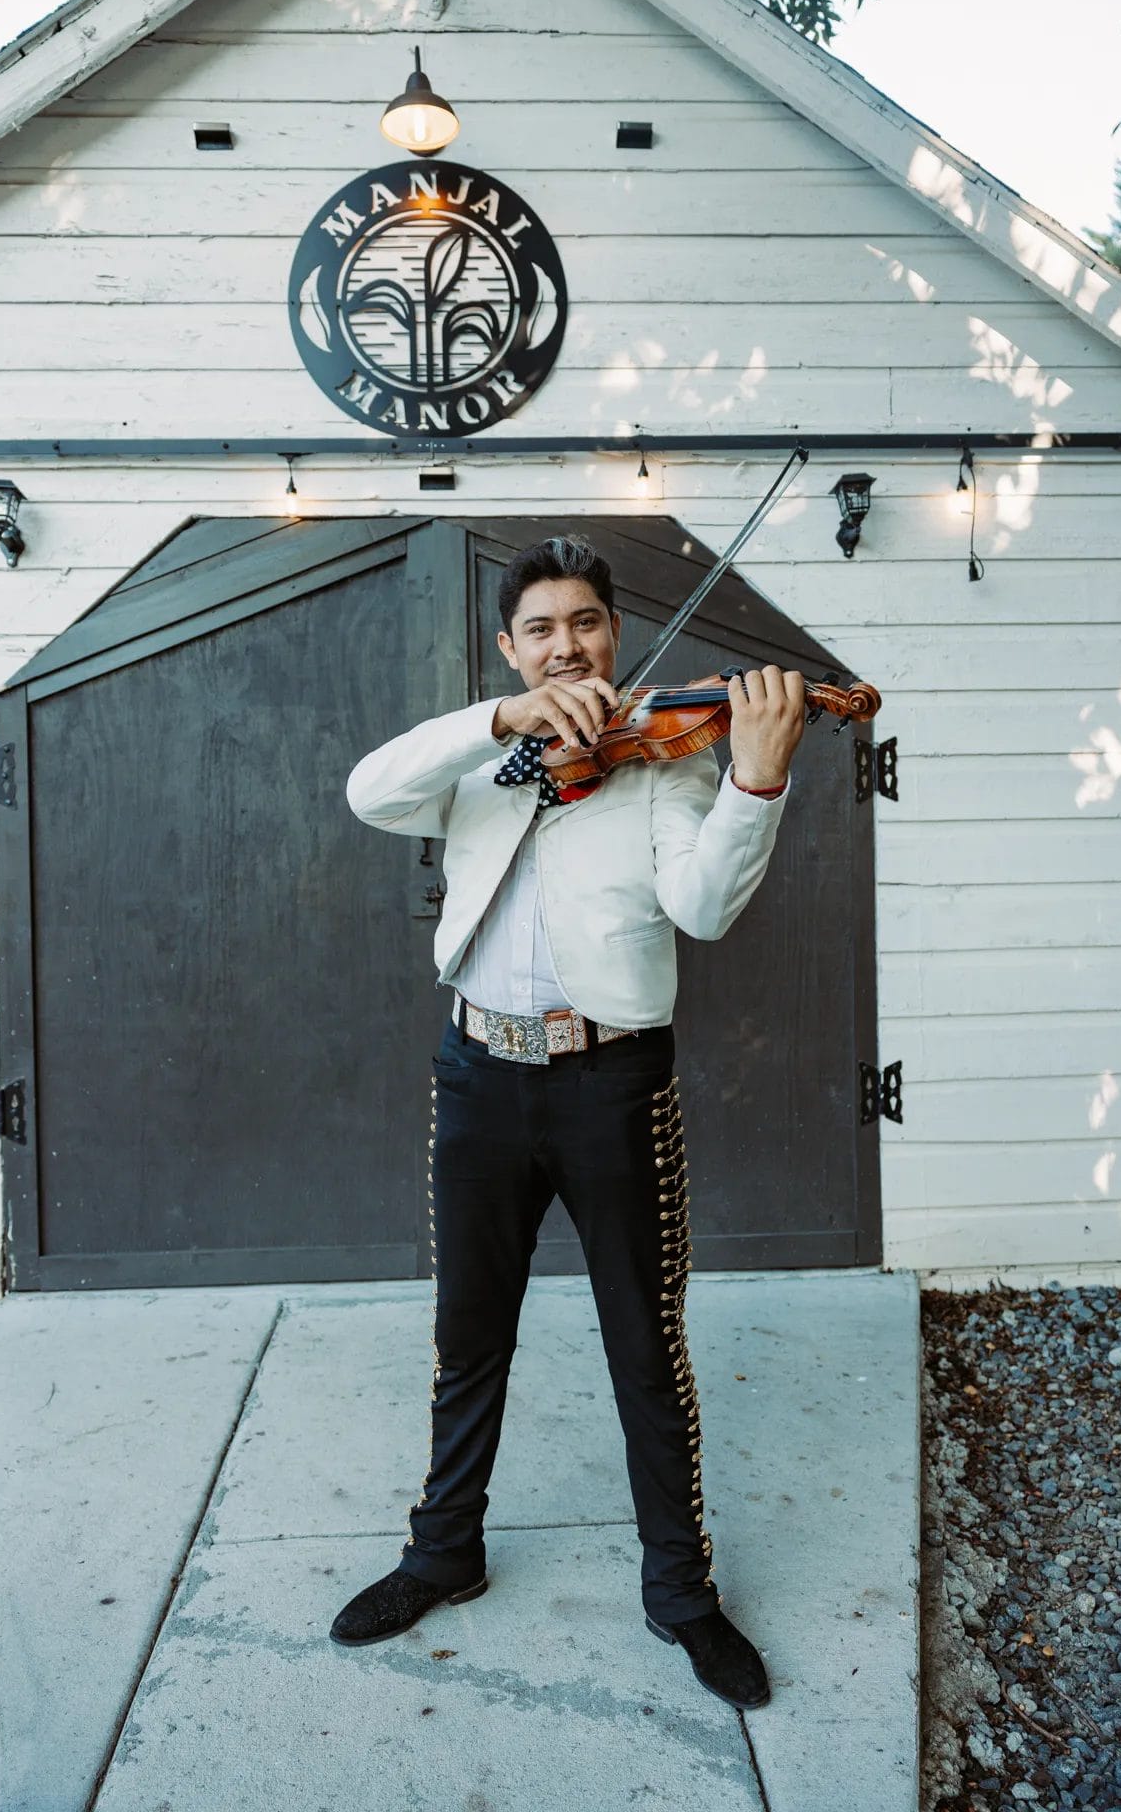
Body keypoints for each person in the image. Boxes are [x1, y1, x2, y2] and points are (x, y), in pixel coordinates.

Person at [329, 534, 805, 1711]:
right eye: (540, 628)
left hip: (611, 1082)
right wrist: (504, 722)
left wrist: (754, 779)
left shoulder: (660, 764)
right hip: (478, 1071)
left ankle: (682, 1596)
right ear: (511, 647)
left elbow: (703, 909)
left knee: (646, 1348)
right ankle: (444, 1552)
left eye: (584, 623)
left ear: (614, 633)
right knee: (466, 1335)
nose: (566, 644)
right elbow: (367, 789)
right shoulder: (477, 763)